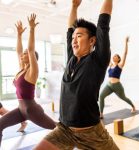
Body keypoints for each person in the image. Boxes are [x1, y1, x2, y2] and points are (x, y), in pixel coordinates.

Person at [34, 0, 119, 150]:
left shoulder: (98, 59)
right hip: (64, 130)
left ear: (92, 40)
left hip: (91, 133)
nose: (73, 40)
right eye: (73, 38)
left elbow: (103, 24)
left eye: (79, 36)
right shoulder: (71, 59)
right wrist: (74, 7)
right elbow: (69, 30)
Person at [0, 13, 56, 146]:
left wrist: (32, 29)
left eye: (25, 54)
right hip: (21, 110)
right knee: (0, 125)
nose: (22, 55)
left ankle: (82, 137)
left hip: (32, 110)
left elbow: (30, 50)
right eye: (23, 54)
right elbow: (18, 51)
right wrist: (19, 35)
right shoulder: (21, 69)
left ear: (32, 58)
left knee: (58, 128)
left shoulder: (32, 71)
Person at [99, 36, 136, 119]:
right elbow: (106, 55)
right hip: (109, 85)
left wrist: (126, 42)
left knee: (123, 98)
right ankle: (101, 113)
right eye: (114, 56)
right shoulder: (111, 65)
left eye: (116, 56)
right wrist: (106, 46)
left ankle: (133, 106)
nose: (114, 56)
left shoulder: (120, 65)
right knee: (101, 96)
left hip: (117, 86)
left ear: (119, 59)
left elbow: (125, 53)